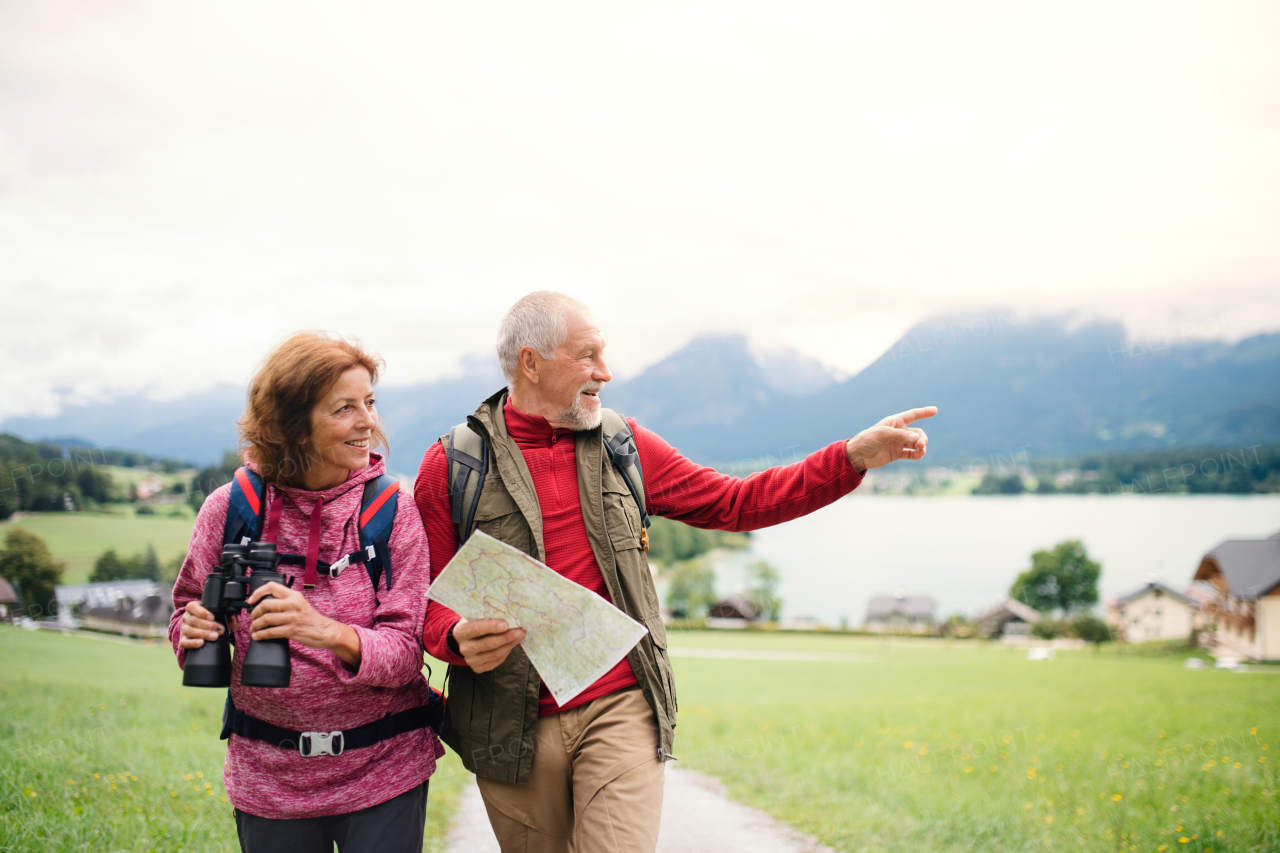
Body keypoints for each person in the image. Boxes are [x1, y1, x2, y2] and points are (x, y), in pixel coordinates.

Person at [415, 292, 936, 853]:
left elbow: (737, 502)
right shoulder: (451, 467)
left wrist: (850, 457)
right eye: (587, 356)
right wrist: (454, 638)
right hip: (507, 726)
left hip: (620, 705)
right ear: (531, 362)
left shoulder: (623, 445)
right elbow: (425, 599)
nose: (605, 372)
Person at [168, 332, 444, 853]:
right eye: (345, 408)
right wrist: (193, 630)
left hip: (383, 769)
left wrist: (324, 631)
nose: (369, 423)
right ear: (293, 426)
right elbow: (185, 613)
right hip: (268, 777)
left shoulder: (390, 511)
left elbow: (407, 653)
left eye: (370, 402)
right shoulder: (228, 510)